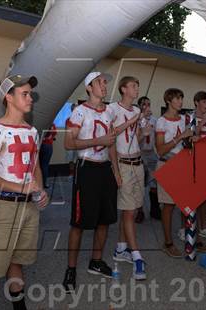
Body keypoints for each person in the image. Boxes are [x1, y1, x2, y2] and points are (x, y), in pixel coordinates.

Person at [0, 74, 49, 310]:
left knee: (17, 263)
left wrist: (40, 189)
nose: (31, 99)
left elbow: (36, 167)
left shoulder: (32, 131)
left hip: (28, 206)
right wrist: (21, 187)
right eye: (25, 94)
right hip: (2, 209)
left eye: (31, 94)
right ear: (8, 97)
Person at [62, 71, 119, 292]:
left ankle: (96, 261)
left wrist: (115, 170)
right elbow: (68, 143)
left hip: (105, 169)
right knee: (78, 223)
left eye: (105, 82)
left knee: (104, 219)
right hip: (86, 169)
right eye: (100, 82)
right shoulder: (79, 112)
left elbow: (111, 142)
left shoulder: (110, 111)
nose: (104, 85)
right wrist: (98, 140)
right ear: (89, 87)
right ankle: (71, 269)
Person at [155, 88, 206, 258]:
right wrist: (181, 137)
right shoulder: (161, 122)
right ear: (168, 101)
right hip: (166, 165)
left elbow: (188, 141)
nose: (181, 101)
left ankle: (194, 240)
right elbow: (160, 150)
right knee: (168, 206)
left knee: (188, 204)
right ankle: (168, 243)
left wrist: (192, 138)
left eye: (182, 97)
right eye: (177, 98)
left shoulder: (184, 119)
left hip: (182, 165)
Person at [108, 76, 147, 280]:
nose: (136, 88)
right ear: (123, 89)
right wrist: (115, 170)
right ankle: (137, 255)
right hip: (123, 165)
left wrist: (142, 131)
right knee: (130, 211)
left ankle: (121, 249)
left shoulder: (137, 111)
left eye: (137, 85)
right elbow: (111, 136)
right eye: (133, 85)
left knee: (129, 210)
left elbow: (134, 138)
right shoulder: (113, 109)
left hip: (138, 163)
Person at [177, 91, 206, 242]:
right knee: (188, 196)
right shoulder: (190, 116)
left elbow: (205, 137)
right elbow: (191, 135)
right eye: (204, 102)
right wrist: (202, 122)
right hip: (190, 158)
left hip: (204, 158)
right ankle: (184, 228)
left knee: (205, 195)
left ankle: (203, 227)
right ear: (196, 102)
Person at [135, 96, 161, 223]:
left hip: (151, 154)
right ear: (140, 106)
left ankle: (155, 210)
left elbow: (156, 137)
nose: (147, 106)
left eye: (149, 104)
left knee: (154, 183)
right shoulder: (137, 119)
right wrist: (142, 117)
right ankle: (139, 211)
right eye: (144, 104)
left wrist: (159, 153)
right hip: (139, 153)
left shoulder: (155, 120)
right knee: (139, 184)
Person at [39, 123, 57, 188]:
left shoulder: (42, 122)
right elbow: (54, 133)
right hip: (48, 145)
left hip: (40, 145)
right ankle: (44, 183)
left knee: (39, 165)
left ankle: (39, 182)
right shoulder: (52, 124)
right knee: (45, 165)